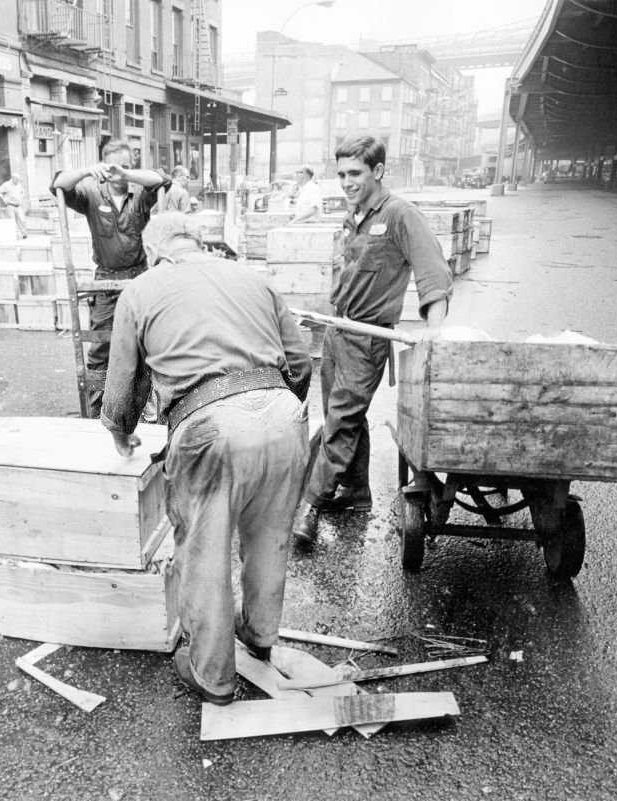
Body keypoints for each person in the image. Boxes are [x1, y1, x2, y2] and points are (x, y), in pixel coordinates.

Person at [101, 212, 312, 705]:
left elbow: (122, 386)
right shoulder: (253, 277)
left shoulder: (141, 290)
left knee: (205, 554)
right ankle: (259, 637)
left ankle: (213, 677)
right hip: (284, 414)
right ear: (198, 243)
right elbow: (299, 363)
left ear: (155, 251)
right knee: (270, 537)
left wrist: (120, 431)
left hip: (210, 426)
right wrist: (276, 417)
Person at [292, 135, 453, 548]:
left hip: (367, 337)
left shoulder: (399, 214)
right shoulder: (356, 214)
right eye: (341, 174)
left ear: (378, 171)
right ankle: (356, 492)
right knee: (339, 412)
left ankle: (311, 503)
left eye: (355, 174)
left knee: (341, 419)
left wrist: (434, 327)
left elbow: (432, 269)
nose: (346, 182)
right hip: (337, 330)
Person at [50, 139, 169, 417]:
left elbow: (161, 180)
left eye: (126, 166)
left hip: (140, 278)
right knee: (101, 347)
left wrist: (126, 173)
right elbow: (59, 183)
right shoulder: (92, 194)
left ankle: (144, 408)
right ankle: (96, 411)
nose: (119, 173)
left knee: (145, 344)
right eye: (115, 167)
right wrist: (90, 170)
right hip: (105, 280)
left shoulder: (139, 192)